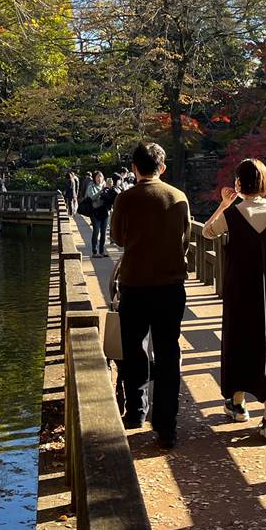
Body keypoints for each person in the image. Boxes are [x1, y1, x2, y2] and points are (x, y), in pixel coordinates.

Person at [201, 159, 266, 441]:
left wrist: (224, 204)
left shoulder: (232, 216)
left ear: (239, 184)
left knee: (238, 345)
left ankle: (238, 405)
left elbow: (207, 231)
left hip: (240, 294)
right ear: (264, 182)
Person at [110, 142, 192, 449]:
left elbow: (117, 237)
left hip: (134, 283)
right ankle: (166, 427)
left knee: (134, 349)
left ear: (134, 167)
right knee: (169, 351)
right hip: (170, 286)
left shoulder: (126, 198)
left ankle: (136, 412)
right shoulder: (177, 197)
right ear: (163, 168)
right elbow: (185, 241)